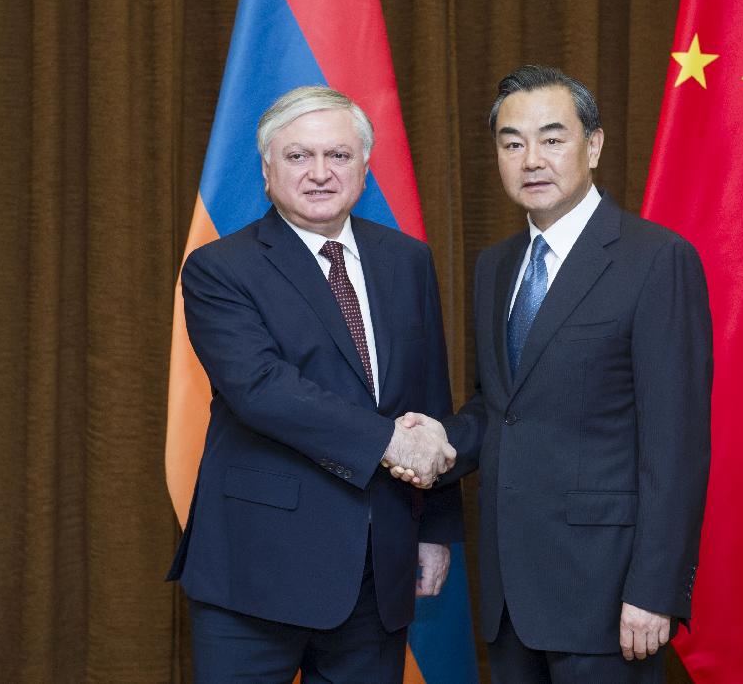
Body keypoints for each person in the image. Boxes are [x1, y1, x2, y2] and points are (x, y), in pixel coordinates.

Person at [393, 65, 712, 683]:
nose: (531, 159)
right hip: (511, 590)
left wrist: (655, 588)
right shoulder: (496, 265)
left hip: (610, 591)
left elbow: (677, 443)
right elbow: (500, 408)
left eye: (552, 138)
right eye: (512, 143)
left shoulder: (656, 260)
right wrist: (436, 444)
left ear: (593, 146)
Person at [166, 85, 462, 683]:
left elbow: (429, 400)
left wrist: (433, 528)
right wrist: (389, 443)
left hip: (378, 569)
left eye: (340, 156)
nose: (321, 174)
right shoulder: (219, 268)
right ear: (268, 169)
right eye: (299, 156)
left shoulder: (407, 259)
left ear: (365, 166)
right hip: (255, 571)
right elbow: (263, 389)